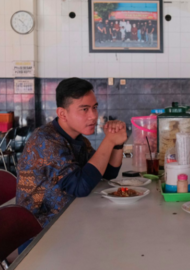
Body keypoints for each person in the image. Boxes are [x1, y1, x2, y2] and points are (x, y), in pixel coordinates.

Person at [17, 78, 127, 227]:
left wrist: (117, 144)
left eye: (95, 107)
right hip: (41, 232)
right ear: (62, 114)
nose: (93, 116)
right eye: (84, 109)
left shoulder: (77, 137)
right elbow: (80, 187)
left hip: (70, 219)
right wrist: (109, 141)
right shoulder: (45, 141)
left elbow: (107, 172)